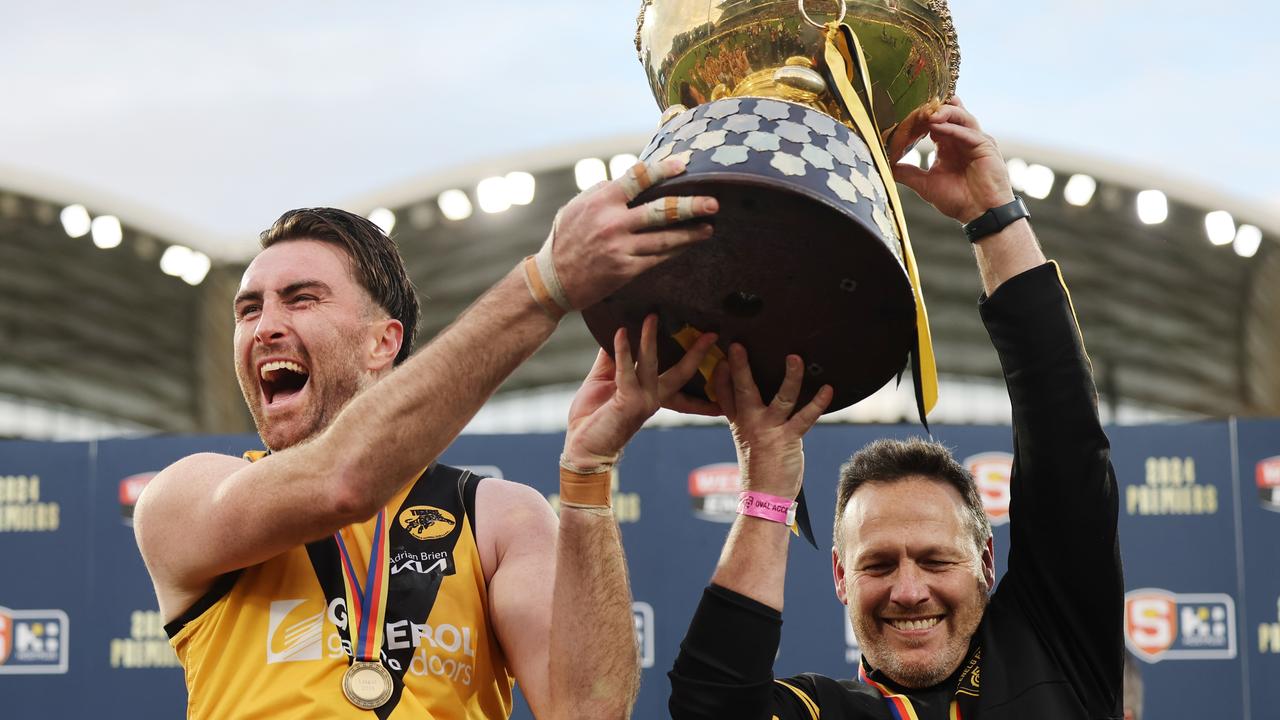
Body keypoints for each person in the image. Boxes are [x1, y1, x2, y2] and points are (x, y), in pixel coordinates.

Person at [133, 157, 721, 719]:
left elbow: (588, 712)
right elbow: (341, 483)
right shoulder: (185, 498)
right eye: (248, 309)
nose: (265, 328)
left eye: (301, 298)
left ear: (382, 343)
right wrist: (545, 284)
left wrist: (589, 469)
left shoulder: (498, 519)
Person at [668, 98, 1124, 718]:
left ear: (985, 563)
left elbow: (1065, 431)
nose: (909, 592)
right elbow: (711, 704)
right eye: (878, 564)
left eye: (936, 559)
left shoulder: (1054, 646)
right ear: (840, 578)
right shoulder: (820, 709)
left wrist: (995, 217)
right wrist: (766, 487)